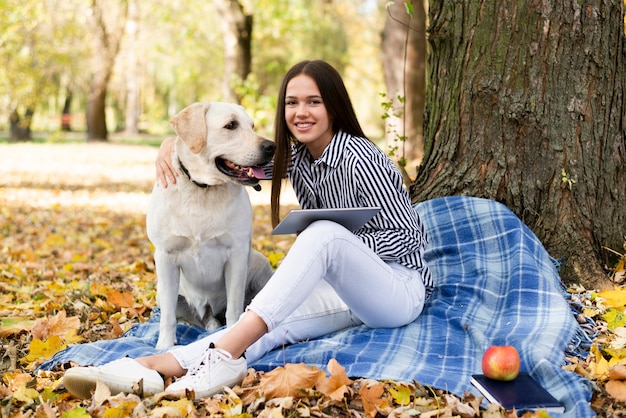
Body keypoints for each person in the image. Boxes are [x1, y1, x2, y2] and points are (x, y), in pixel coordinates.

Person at [62, 59, 433, 400]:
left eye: (313, 102)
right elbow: (220, 160)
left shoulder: (361, 158)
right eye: (291, 103)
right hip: (345, 293)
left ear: (334, 106)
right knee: (269, 322)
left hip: (398, 290)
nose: (300, 112)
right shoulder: (299, 158)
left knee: (323, 234)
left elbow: (408, 238)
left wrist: (334, 247)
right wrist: (169, 146)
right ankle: (153, 369)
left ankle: (213, 358)